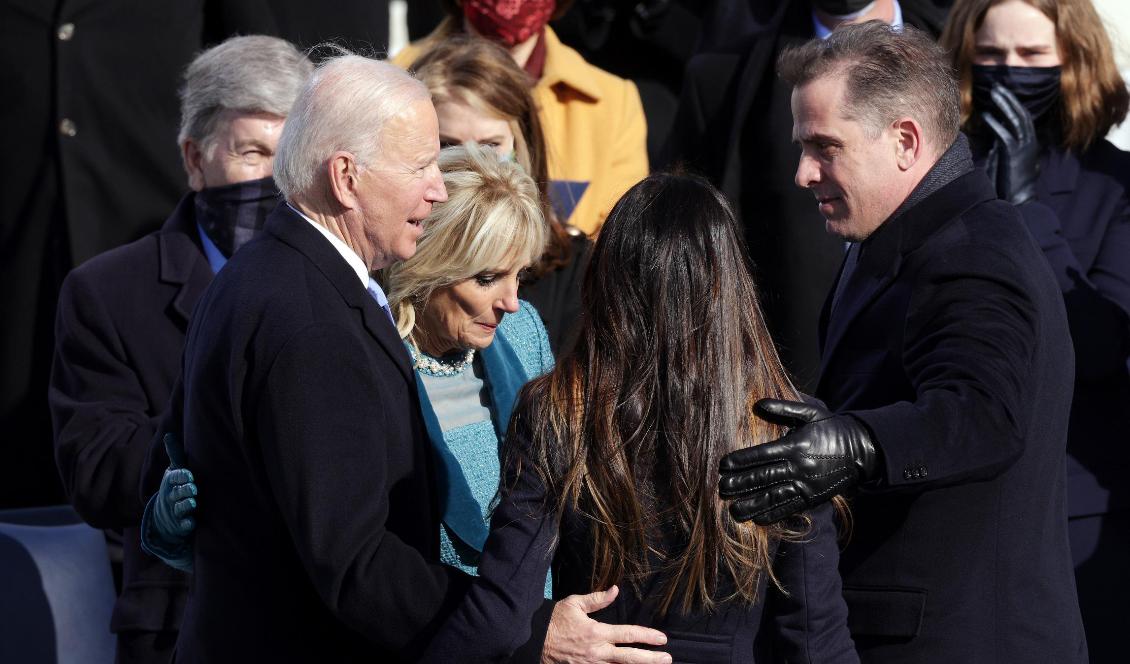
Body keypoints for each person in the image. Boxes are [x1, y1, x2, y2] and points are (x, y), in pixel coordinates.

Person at [140, 53, 669, 662]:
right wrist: (522, 633)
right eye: (419, 165)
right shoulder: (313, 321)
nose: (438, 187)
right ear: (346, 177)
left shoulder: (256, 276)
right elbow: (356, 563)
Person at [716, 22, 1086, 662]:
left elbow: (984, 415)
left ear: (906, 142)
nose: (803, 173)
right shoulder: (896, 242)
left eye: (825, 147)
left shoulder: (972, 255)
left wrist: (857, 444)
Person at [419, 173, 859, 664]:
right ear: (732, 285)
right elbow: (814, 637)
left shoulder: (559, 412)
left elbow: (504, 609)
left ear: (606, 280)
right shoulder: (786, 427)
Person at [47, 35, 311, 664]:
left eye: (292, 156)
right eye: (252, 152)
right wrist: (238, 429)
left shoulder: (357, 280)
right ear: (195, 159)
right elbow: (98, 471)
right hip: (183, 620)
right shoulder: (107, 293)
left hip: (328, 617)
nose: (275, 182)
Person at [939, 1, 1130, 659]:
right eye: (991, 57)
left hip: (1074, 519)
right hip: (952, 511)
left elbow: (1101, 347)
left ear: (1073, 62)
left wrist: (1023, 212)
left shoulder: (1116, 186)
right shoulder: (935, 176)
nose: (1008, 74)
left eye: (1030, 58)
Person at [663, 0, 951, 394]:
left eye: (826, 147)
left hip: (932, 386)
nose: (805, 174)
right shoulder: (726, 82)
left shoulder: (975, 56)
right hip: (781, 395)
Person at [395, 0, 649, 234]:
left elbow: (618, 250)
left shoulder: (612, 103)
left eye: (491, 144)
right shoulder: (387, 81)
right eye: (448, 144)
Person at [411, 35, 592, 353]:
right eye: (449, 146)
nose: (472, 163)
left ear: (523, 144)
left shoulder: (570, 267)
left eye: (489, 146)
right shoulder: (384, 254)